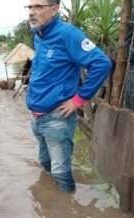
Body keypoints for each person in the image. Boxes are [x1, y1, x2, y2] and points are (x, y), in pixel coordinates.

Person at [25, 0, 112, 193]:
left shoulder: (68, 34)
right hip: (36, 115)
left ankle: (67, 211)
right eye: (29, 7)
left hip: (57, 117)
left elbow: (101, 63)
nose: (31, 12)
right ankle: (51, 204)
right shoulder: (38, 34)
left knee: (60, 171)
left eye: (38, 6)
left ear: (55, 9)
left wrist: (78, 100)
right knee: (45, 163)